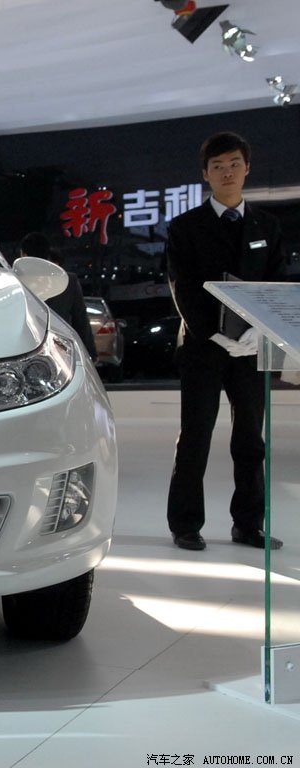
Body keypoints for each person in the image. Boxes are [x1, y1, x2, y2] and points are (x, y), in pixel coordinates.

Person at [166, 131, 286, 551]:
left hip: (253, 348)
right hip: (203, 347)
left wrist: (260, 331)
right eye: (217, 166)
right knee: (195, 435)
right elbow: (183, 288)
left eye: (234, 163)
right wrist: (215, 333)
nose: (227, 172)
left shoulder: (268, 226)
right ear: (206, 174)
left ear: (247, 168)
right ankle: (185, 523)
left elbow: (277, 284)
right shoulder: (184, 227)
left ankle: (249, 524)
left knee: (251, 439)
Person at [19, 232, 97, 361]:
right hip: (62, 349)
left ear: (24, 255)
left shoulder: (17, 281)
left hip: (26, 349)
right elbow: (80, 319)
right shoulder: (69, 280)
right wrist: (91, 353)